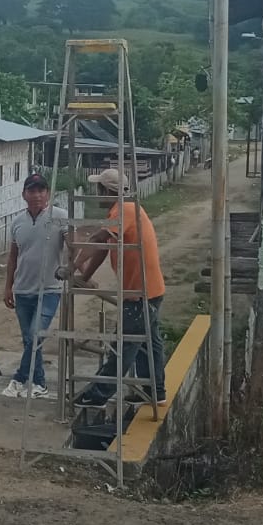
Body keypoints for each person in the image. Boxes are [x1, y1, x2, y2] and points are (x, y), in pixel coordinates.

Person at [66, 169, 167, 407]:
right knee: (147, 343)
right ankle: (155, 391)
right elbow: (103, 248)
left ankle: (99, 394)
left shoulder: (125, 210)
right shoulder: (121, 210)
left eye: (98, 188)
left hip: (139, 293)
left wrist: (70, 268)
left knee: (124, 344)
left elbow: (97, 240)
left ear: (106, 190)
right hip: (146, 290)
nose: (95, 193)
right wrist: (84, 276)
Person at [3, 172, 70, 399]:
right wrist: (8, 286)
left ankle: (19, 378)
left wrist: (75, 265)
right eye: (32, 190)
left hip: (49, 289)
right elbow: (13, 256)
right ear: (24, 194)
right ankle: (39, 383)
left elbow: (73, 243)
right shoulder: (17, 222)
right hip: (23, 290)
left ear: (48, 193)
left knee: (35, 336)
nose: (37, 195)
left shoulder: (59, 216)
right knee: (30, 341)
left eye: (41, 190)